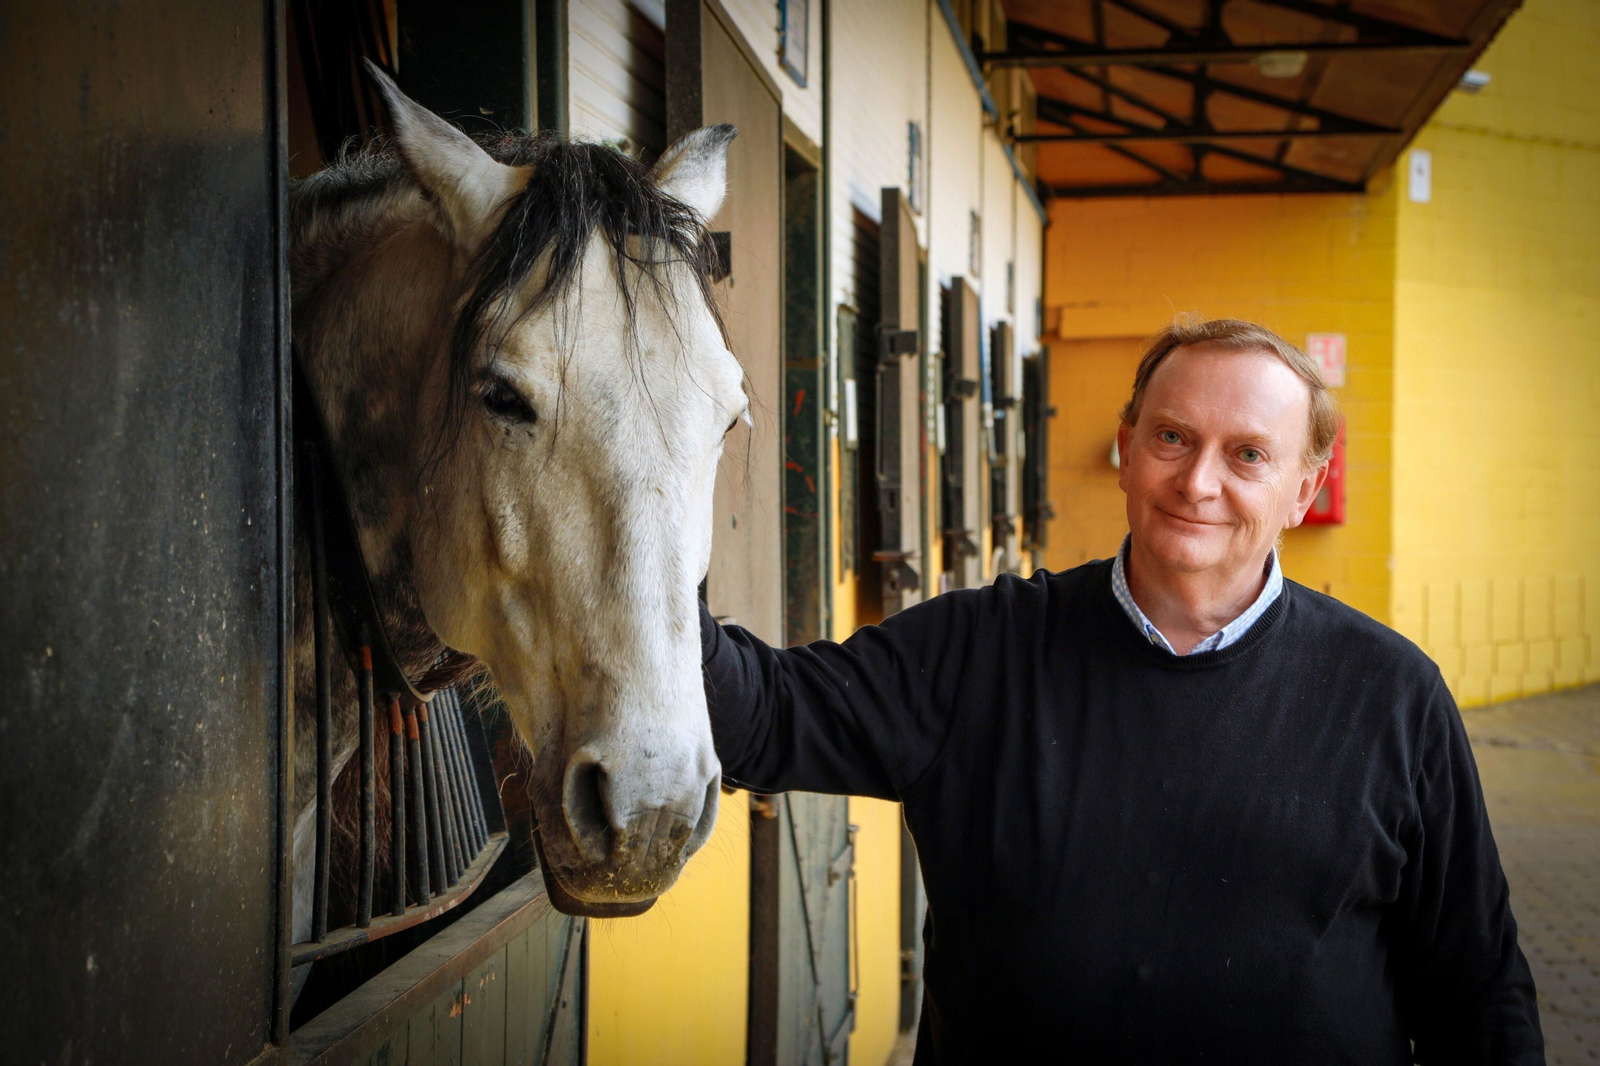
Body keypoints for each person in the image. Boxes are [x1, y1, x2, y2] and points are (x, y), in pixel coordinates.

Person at [700, 318, 1543, 1064]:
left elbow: (1477, 988)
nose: (1198, 482)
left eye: (1248, 454)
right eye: (1173, 437)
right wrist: (650, 555)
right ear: (1126, 449)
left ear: (1303, 490)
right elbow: (762, 717)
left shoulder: (1393, 696)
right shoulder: (976, 650)